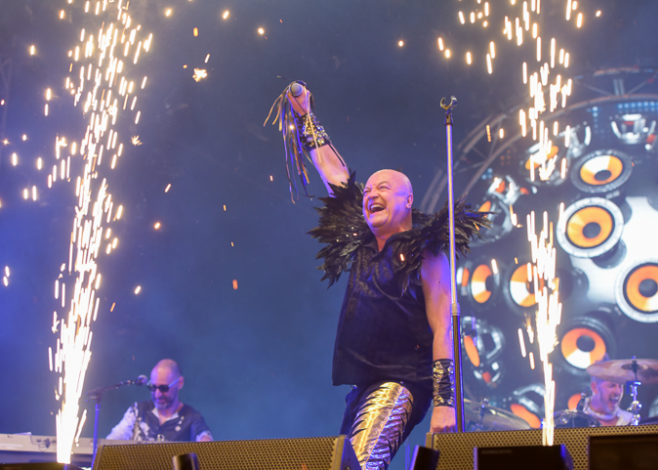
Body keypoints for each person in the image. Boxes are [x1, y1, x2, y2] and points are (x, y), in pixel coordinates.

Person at [266, 82, 487, 469]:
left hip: (403, 380)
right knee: (347, 465)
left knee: (364, 465)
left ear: (408, 200)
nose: (370, 194)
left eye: (383, 187)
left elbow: (444, 326)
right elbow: (334, 173)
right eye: (368, 189)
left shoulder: (428, 250)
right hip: (364, 385)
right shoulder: (362, 241)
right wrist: (305, 116)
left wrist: (445, 401)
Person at [106, 358, 213, 442]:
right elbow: (112, 441)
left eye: (163, 388)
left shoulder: (192, 418)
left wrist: (205, 440)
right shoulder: (137, 410)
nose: (157, 394)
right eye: (153, 387)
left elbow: (206, 444)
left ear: (180, 383)